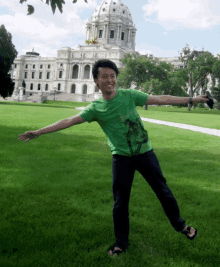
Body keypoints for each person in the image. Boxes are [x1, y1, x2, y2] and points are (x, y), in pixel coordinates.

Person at [18, 59, 208, 256]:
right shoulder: (96, 108)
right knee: (120, 203)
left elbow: (162, 99)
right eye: (104, 77)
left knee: (163, 191)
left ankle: (181, 226)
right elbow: (69, 121)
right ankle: (120, 243)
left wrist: (191, 99)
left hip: (145, 154)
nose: (109, 80)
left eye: (112, 76)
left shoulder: (129, 95)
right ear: (96, 81)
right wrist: (39, 131)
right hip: (121, 159)